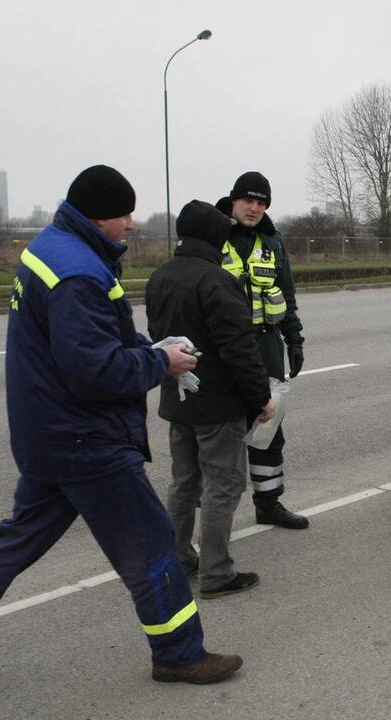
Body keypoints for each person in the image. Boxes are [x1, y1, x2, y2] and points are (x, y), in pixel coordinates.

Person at [0, 166, 241, 688]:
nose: (129, 224)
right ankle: (178, 653)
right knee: (150, 544)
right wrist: (159, 364)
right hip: (86, 438)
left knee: (14, 543)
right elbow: (92, 370)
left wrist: (145, 349)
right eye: (124, 215)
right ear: (101, 217)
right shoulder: (79, 273)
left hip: (46, 432)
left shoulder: (50, 248)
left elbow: (79, 352)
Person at [146, 200, 275, 599]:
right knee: (224, 485)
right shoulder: (216, 281)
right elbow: (239, 349)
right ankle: (217, 573)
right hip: (218, 405)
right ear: (216, 237)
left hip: (179, 400)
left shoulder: (160, 276)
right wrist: (261, 398)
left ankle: (180, 559)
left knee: (184, 482)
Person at [215, 172, 308, 530]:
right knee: (220, 432)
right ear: (233, 200)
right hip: (224, 349)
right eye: (247, 201)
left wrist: (294, 340)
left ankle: (268, 502)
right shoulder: (214, 235)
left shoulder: (273, 241)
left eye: (261, 202)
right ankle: (209, 517)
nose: (254, 208)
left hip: (267, 345)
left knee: (269, 428)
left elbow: (287, 295)